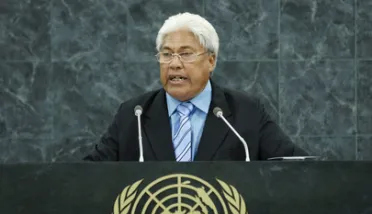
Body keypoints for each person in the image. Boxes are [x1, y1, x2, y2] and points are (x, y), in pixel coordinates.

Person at [84, 12, 307, 161]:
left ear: (211, 61)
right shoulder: (134, 114)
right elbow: (87, 176)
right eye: (166, 54)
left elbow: (295, 168)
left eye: (186, 54)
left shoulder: (246, 113)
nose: (174, 64)